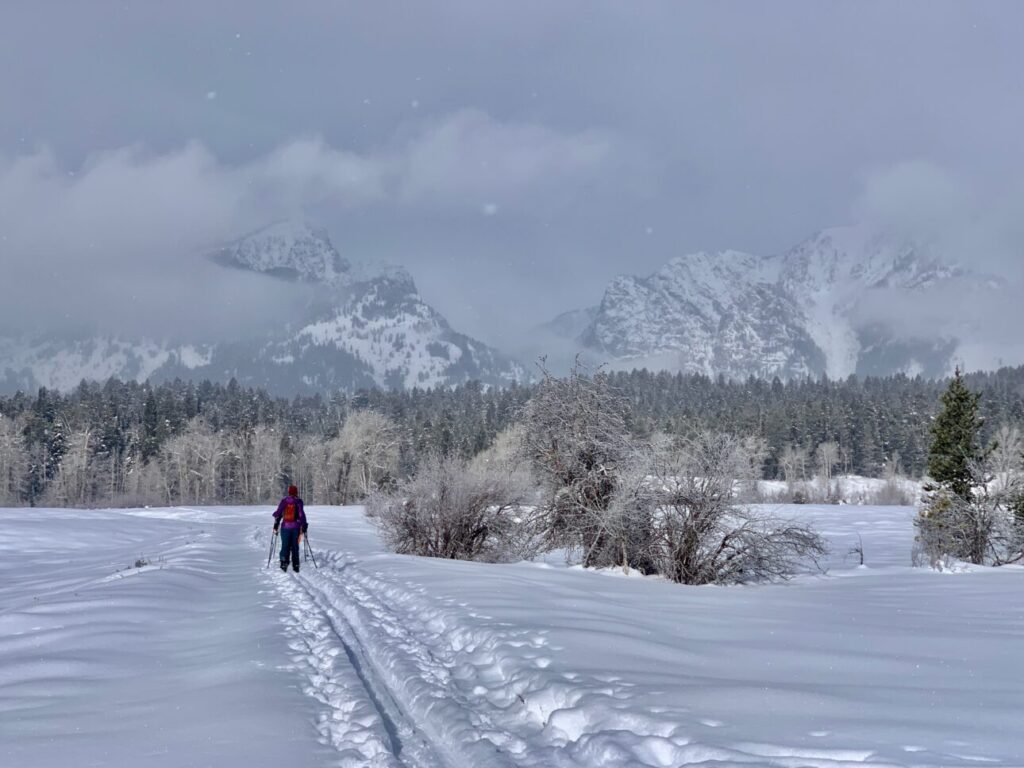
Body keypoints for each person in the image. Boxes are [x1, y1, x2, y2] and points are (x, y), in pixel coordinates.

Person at [273, 485, 308, 572]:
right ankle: (296, 565)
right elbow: (301, 514)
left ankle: (284, 563)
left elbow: (279, 512)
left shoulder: (284, 501)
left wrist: (276, 524)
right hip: (296, 527)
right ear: (296, 492)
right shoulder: (299, 501)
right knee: (295, 546)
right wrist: (304, 524)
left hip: (285, 527)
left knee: (285, 545)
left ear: (289, 492)